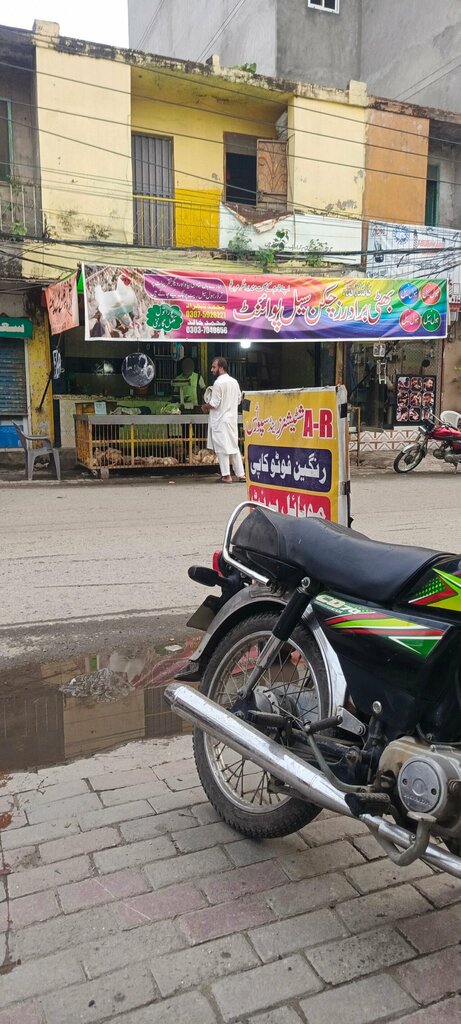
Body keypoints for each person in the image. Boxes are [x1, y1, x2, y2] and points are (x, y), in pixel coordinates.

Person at [202, 356, 245, 483]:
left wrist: (205, 407)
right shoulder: (234, 382)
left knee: (222, 448)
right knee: (233, 446)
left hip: (220, 420)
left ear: (221, 367)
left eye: (214, 367)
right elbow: (238, 400)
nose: (211, 369)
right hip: (231, 419)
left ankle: (226, 475)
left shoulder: (218, 383)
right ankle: (241, 474)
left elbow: (214, 403)